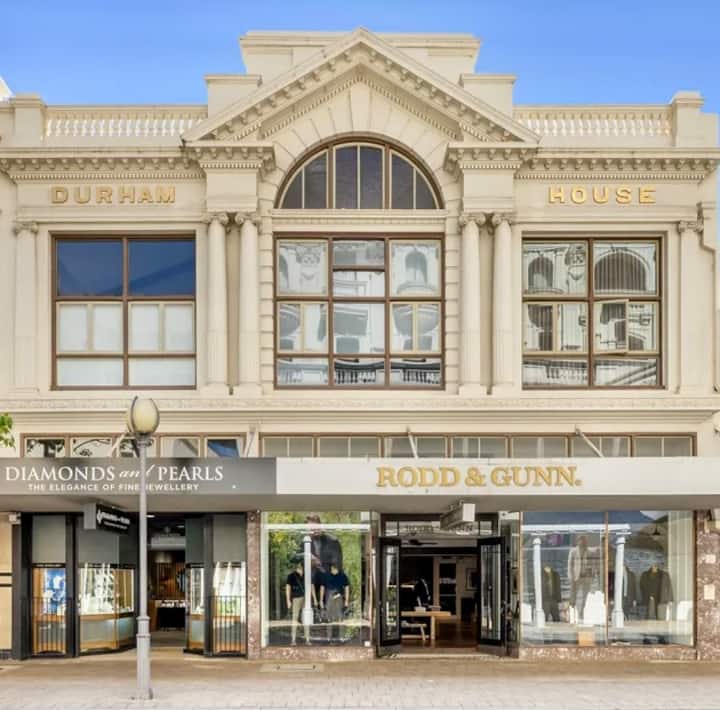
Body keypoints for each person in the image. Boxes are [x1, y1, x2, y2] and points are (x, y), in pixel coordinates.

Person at [285, 561, 316, 645]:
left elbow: (311, 586)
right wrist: (288, 600)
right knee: (295, 618)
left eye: (301, 565)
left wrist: (314, 599)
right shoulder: (291, 576)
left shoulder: (307, 575)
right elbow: (288, 588)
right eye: (299, 565)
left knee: (306, 618)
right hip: (296, 598)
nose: (300, 567)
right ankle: (293, 640)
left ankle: (307, 639)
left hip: (306, 599)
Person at [320, 563, 350, 641]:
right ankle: (329, 637)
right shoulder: (326, 576)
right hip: (329, 596)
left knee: (340, 616)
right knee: (329, 617)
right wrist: (321, 600)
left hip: (339, 596)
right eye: (332, 568)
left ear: (337, 568)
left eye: (335, 568)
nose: (333, 569)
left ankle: (341, 636)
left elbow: (347, 588)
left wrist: (346, 600)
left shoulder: (343, 576)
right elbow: (322, 588)